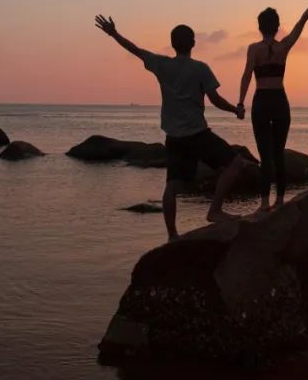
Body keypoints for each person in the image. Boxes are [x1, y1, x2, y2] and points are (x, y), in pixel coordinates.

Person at [95, 14, 246, 240]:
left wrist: (114, 33)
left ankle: (172, 235)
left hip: (174, 137)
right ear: (193, 43)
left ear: (173, 44)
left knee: (172, 186)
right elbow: (214, 99)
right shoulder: (200, 69)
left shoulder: (162, 64)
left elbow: (135, 50)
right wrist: (236, 110)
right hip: (197, 134)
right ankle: (214, 211)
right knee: (235, 164)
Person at [238, 0, 308, 211]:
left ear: (260, 27)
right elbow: (302, 21)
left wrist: (240, 103)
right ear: (278, 27)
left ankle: (263, 203)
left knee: (265, 155)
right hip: (279, 101)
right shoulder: (284, 46)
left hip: (261, 101)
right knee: (278, 153)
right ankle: (279, 201)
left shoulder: (253, 49)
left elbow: (246, 76)